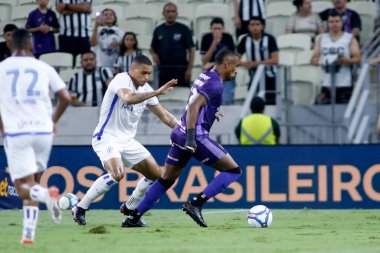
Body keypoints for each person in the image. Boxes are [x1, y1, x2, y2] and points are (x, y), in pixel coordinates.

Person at [121, 49, 242, 228]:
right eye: (235, 66)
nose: (237, 70)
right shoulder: (216, 84)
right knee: (233, 171)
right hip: (195, 135)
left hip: (179, 132)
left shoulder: (205, 75)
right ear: (226, 64)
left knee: (166, 179)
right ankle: (196, 203)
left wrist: (211, 111)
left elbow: (197, 99)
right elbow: (194, 106)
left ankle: (133, 217)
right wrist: (192, 138)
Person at [71, 54, 179, 226]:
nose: (146, 77)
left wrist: (187, 131)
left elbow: (166, 117)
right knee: (117, 174)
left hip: (127, 141)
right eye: (143, 73)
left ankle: (130, 208)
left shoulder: (146, 90)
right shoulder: (121, 79)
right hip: (107, 137)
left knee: (156, 175)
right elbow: (127, 98)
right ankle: (81, 207)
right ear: (132, 69)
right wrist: (158, 91)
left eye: (149, 74)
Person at [0, 29, 71, 244]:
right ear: (32, 45)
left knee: (23, 187)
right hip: (43, 131)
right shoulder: (44, 67)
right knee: (34, 183)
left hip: (17, 132)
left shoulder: (2, 68)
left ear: (10, 45)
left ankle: (47, 196)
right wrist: (54, 120)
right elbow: (65, 97)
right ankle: (28, 234)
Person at [311, 11, 361, 104]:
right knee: (323, 109)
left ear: (342, 23)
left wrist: (346, 60)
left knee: (344, 108)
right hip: (326, 81)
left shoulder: (349, 38)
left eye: (337, 21)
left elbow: (358, 58)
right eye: (331, 22)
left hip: (344, 81)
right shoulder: (322, 39)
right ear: (328, 24)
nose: (334, 24)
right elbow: (313, 59)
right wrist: (319, 61)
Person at [150, 2, 195, 88]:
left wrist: (189, 69)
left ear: (176, 14)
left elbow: (192, 50)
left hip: (181, 69)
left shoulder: (184, 29)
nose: (170, 14)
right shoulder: (158, 30)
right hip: (164, 70)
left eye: (173, 11)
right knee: (164, 95)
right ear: (163, 14)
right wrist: (154, 54)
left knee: (182, 95)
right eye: (168, 11)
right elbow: (152, 48)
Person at [237, 16, 279, 105]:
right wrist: (244, 63)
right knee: (254, 103)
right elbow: (235, 60)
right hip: (253, 76)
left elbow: (275, 60)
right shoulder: (245, 40)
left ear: (262, 26)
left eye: (257, 24)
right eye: (252, 25)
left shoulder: (270, 39)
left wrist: (256, 64)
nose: (255, 27)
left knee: (270, 104)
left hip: (270, 76)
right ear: (248, 27)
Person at [200, 17, 236, 105]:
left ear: (223, 29)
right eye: (214, 29)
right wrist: (214, 43)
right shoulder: (206, 38)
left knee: (226, 100)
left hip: (226, 70)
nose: (217, 31)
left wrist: (213, 63)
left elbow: (232, 59)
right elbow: (204, 60)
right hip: (211, 72)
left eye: (219, 29)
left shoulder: (228, 38)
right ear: (210, 29)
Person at [56, 0, 92, 66]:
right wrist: (81, 8)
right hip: (66, 37)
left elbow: (86, 8)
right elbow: (61, 10)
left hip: (85, 36)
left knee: (85, 63)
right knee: (67, 64)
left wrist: (66, 5)